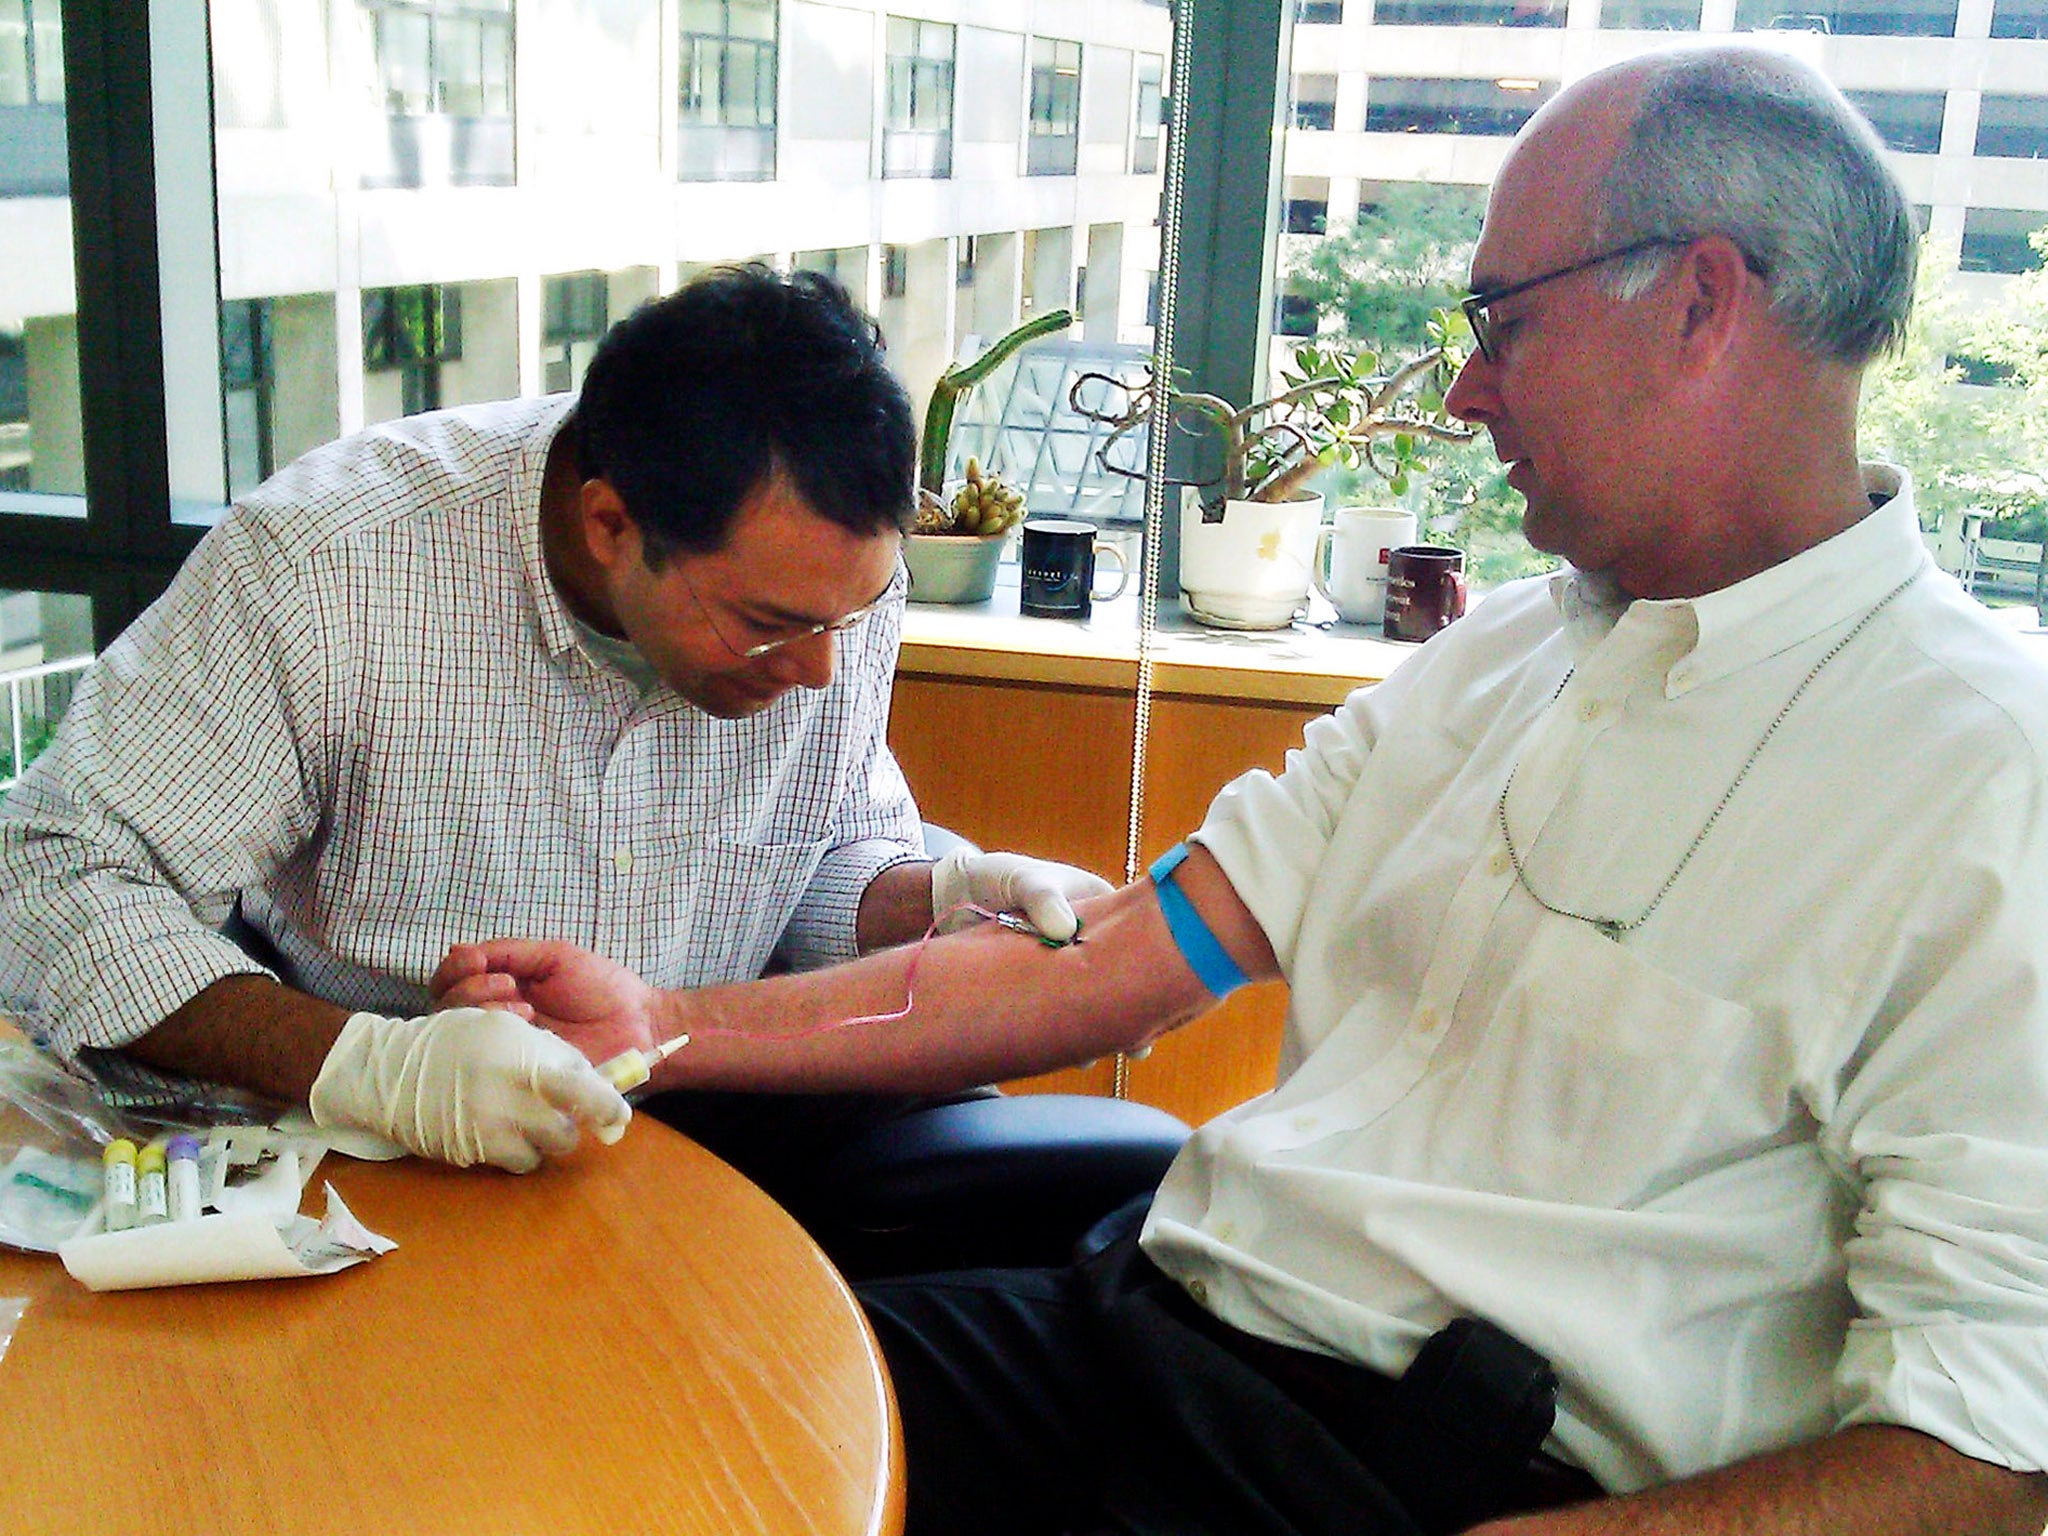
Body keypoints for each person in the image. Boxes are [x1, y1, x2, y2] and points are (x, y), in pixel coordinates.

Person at [431, 47, 2048, 1535]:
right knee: (590, 1425)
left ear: (1701, 302)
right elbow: (1128, 957)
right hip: (1135, 1334)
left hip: (1408, 1484)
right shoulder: (1488, 661)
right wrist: (649, 1020)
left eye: (1502, 321)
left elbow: (1984, 1449)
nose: (1466, 389)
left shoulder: (1985, 777)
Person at [0, 263, 1108, 1182]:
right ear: (611, 523)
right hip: (375, 1153)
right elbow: (51, 869)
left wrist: (934, 895)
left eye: (854, 617)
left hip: (704, 1122)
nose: (823, 670)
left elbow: (805, 857)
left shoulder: (821, 580)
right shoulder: (333, 565)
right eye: (770, 628)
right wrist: (380, 1067)